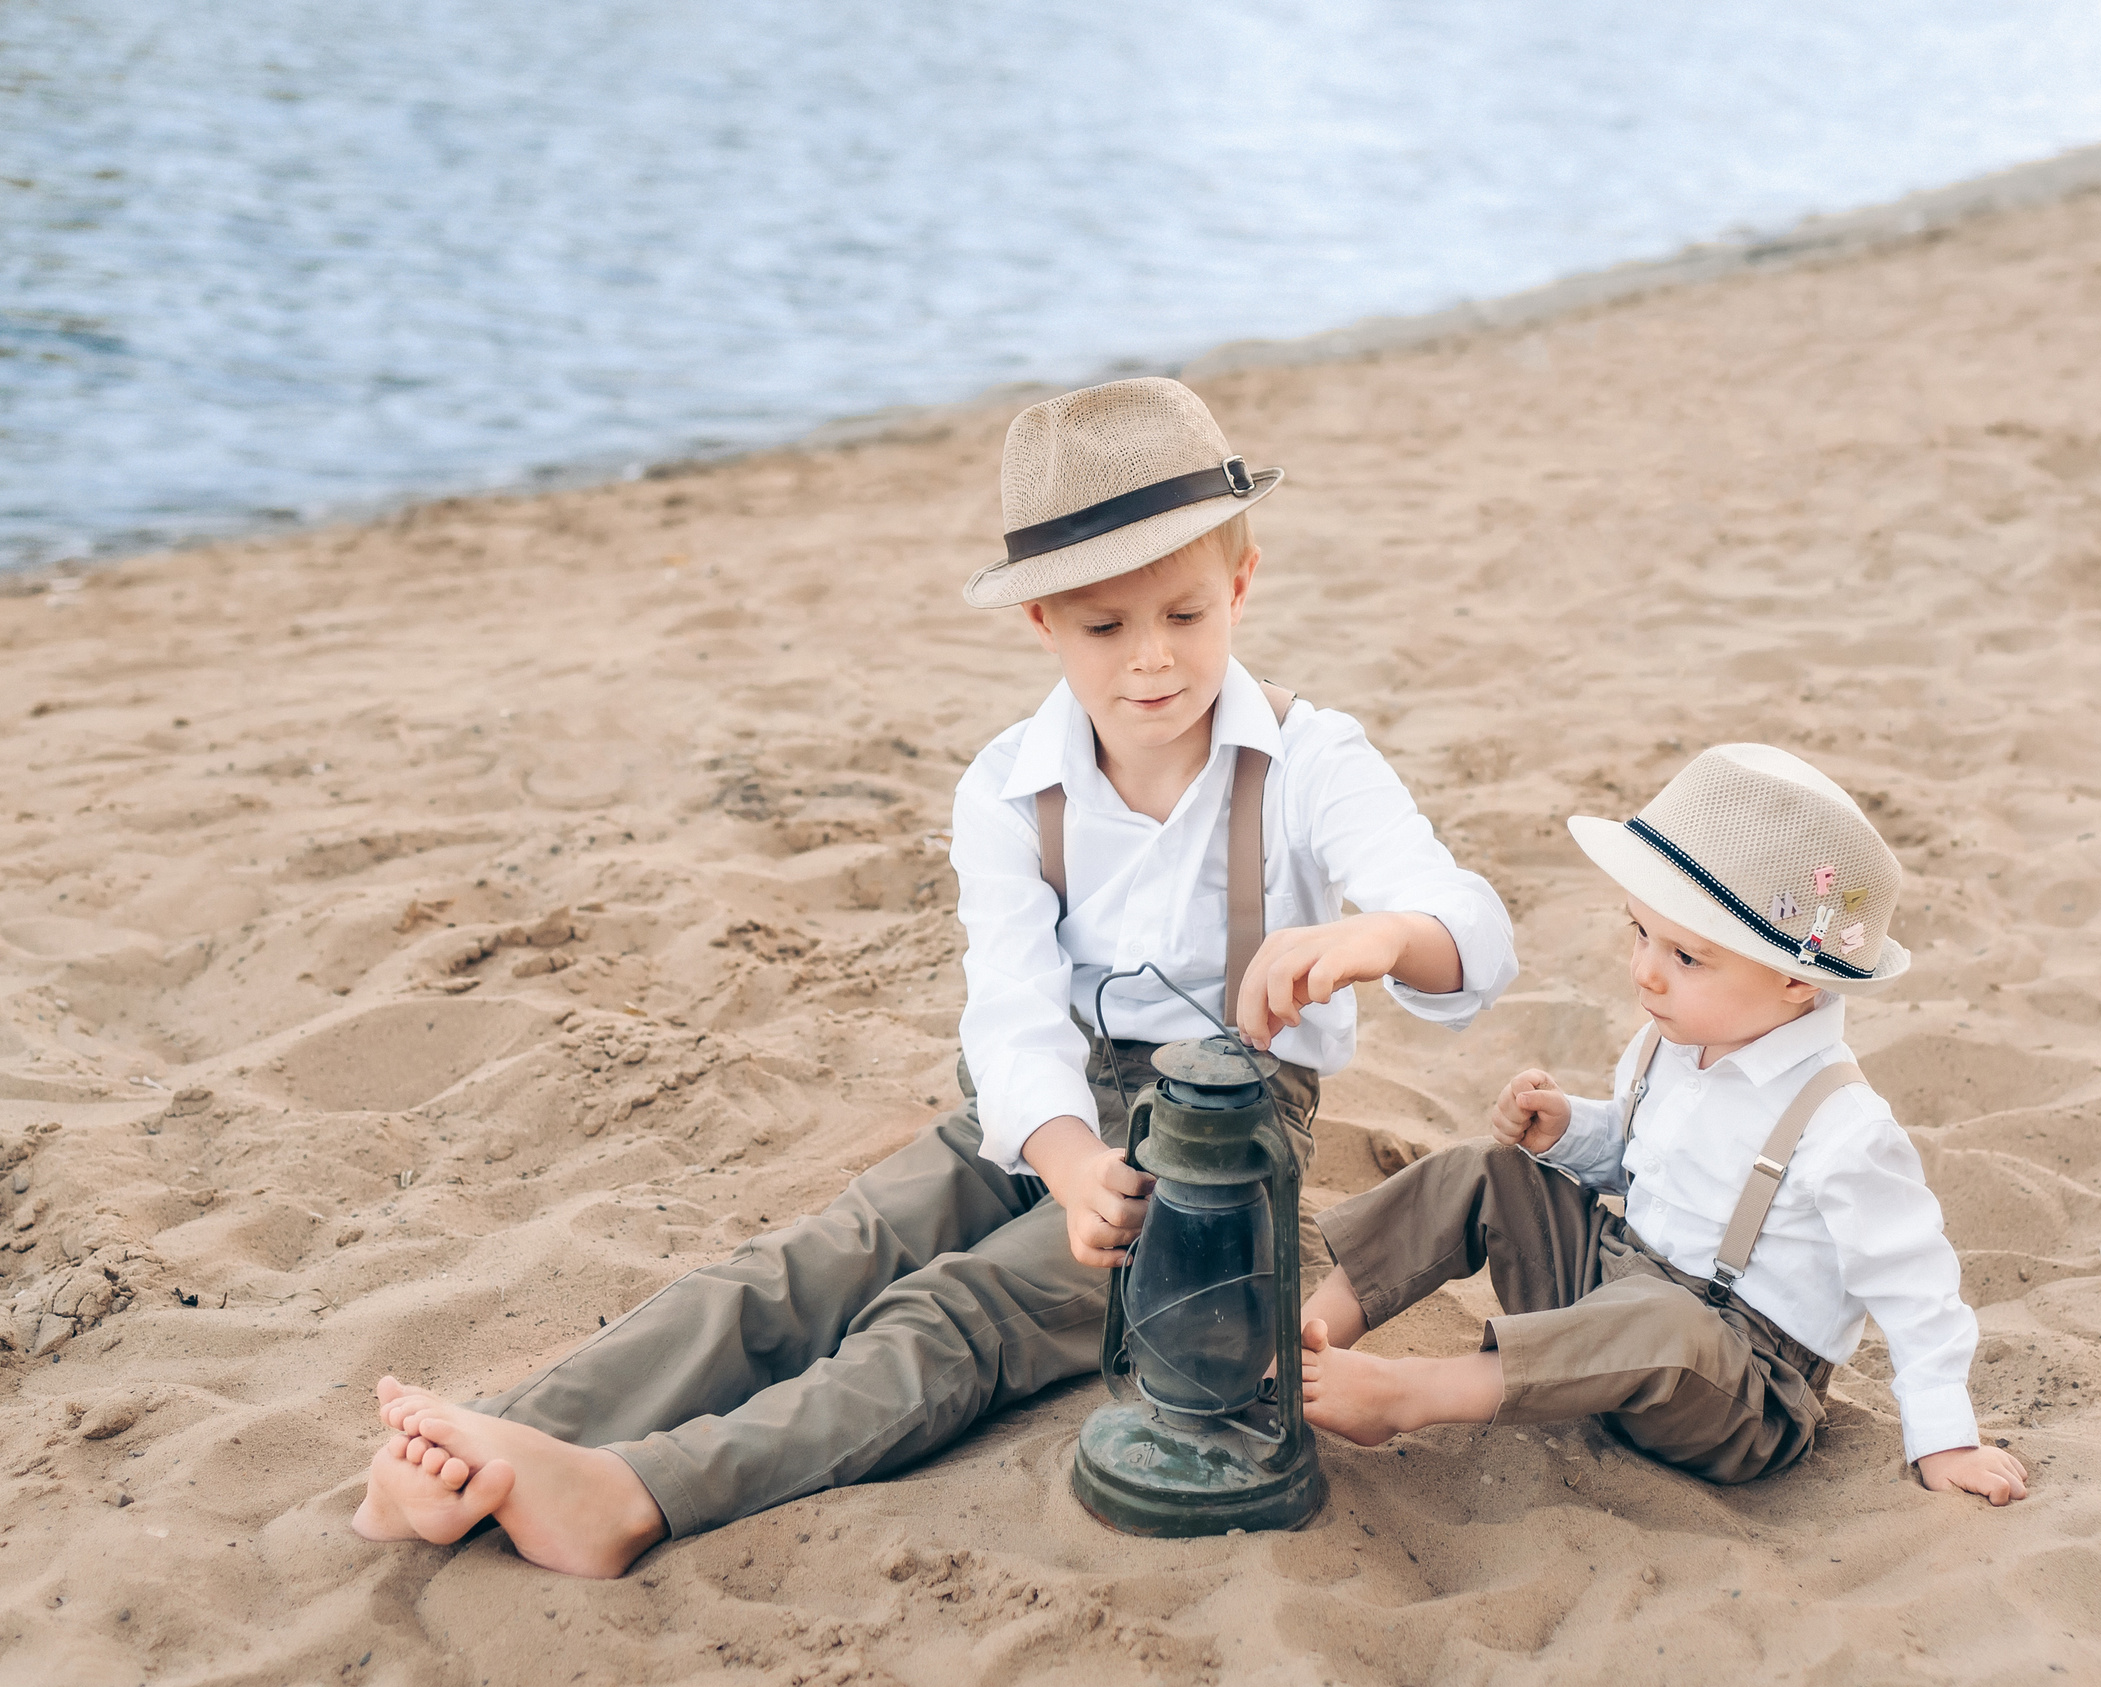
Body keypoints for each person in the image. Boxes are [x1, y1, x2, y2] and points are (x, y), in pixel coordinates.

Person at [350, 378, 1519, 1574]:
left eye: (1182, 613)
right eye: (1105, 629)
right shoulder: (1010, 787)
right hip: (1037, 1118)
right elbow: (1010, 1018)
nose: (1153, 661)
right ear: (1045, 627)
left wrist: (1376, 938)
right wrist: (1065, 1164)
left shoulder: (1311, 760)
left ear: (1240, 584)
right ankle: (514, 1438)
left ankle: (634, 1494)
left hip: (1222, 1160)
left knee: (955, 1315)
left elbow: (1468, 930)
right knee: (812, 1264)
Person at [1296, 742, 2029, 1503]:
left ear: (1793, 982)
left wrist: (1947, 1438)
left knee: (1659, 1320)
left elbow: (1917, 1287)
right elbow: (1647, 1158)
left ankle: (1411, 1394)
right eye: (1639, 932)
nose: (1645, 969)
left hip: (1738, 1383)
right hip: (1618, 1282)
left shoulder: (1844, 1128)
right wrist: (1569, 1132)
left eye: (1685, 955)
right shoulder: (1669, 1044)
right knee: (1486, 1169)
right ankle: (1308, 1340)